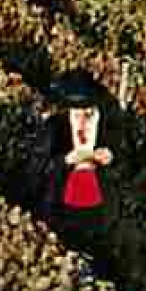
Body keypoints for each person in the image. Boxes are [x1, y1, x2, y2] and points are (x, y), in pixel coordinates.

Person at [29, 71, 116, 251]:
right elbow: (37, 172)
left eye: (89, 114)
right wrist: (65, 161)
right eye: (77, 115)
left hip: (100, 220)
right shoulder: (54, 130)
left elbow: (128, 170)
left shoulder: (111, 129)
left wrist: (110, 160)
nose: (83, 123)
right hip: (61, 216)